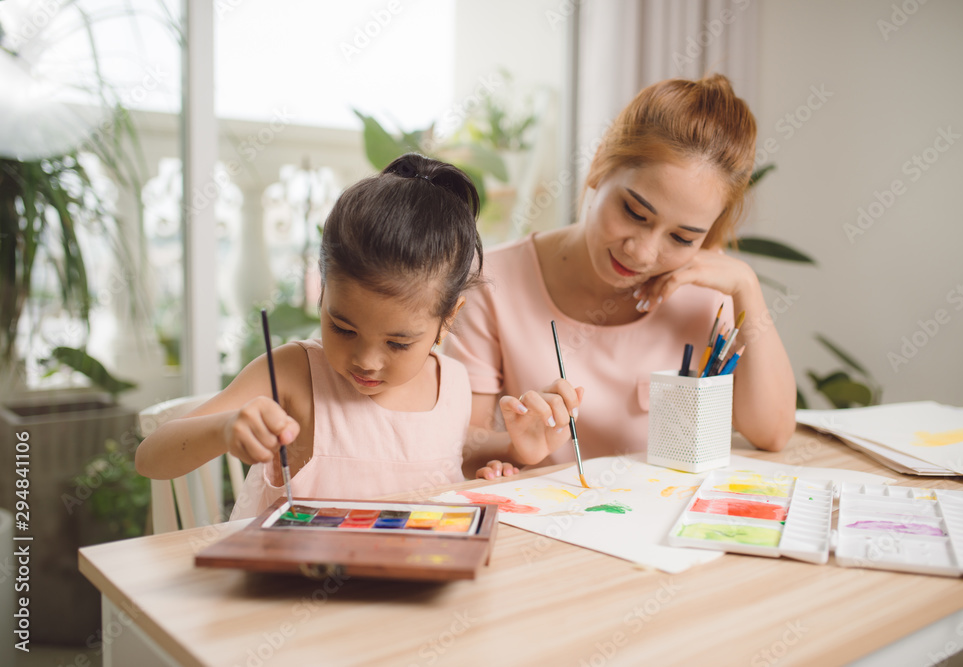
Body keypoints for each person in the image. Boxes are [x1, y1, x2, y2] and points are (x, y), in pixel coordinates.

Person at [136, 154, 559, 519]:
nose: (367, 361)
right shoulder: (293, 374)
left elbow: (452, 453)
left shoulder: (452, 383)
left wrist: (517, 452)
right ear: (322, 291)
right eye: (342, 328)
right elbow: (151, 456)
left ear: (448, 320)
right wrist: (225, 429)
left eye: (397, 343)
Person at [447, 74, 797, 478]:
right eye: (634, 212)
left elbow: (772, 433)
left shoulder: (709, 291)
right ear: (599, 165)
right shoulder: (492, 281)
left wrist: (747, 288)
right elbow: (459, 446)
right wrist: (518, 445)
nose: (643, 252)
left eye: (682, 237)